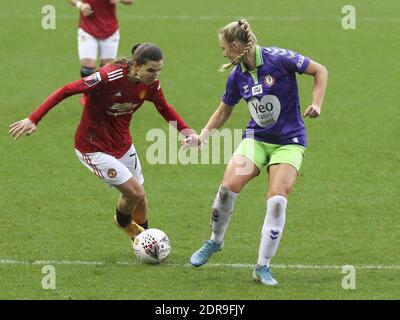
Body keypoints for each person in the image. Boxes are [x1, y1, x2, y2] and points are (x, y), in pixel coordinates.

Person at [182, 19, 328, 286]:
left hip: (289, 142)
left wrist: (316, 104)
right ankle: (215, 241)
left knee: (277, 200)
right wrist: (201, 137)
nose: (223, 53)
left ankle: (262, 267)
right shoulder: (237, 75)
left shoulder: (279, 59)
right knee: (227, 189)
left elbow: (320, 70)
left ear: (237, 45)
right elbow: (224, 110)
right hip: (256, 139)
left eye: (224, 48)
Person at [10, 43, 194, 243]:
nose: (155, 75)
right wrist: (34, 118)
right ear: (136, 65)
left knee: (140, 198)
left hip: (122, 144)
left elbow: (164, 108)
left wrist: (187, 132)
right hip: (93, 148)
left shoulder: (150, 85)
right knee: (135, 192)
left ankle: (143, 240)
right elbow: (66, 90)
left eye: (159, 70)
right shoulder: (107, 77)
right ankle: (126, 225)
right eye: (151, 70)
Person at [68, 0, 133, 79]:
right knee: (87, 71)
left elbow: (129, 1)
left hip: (110, 30)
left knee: (106, 71)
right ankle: (89, 91)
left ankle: (102, 91)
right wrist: (80, 5)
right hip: (87, 29)